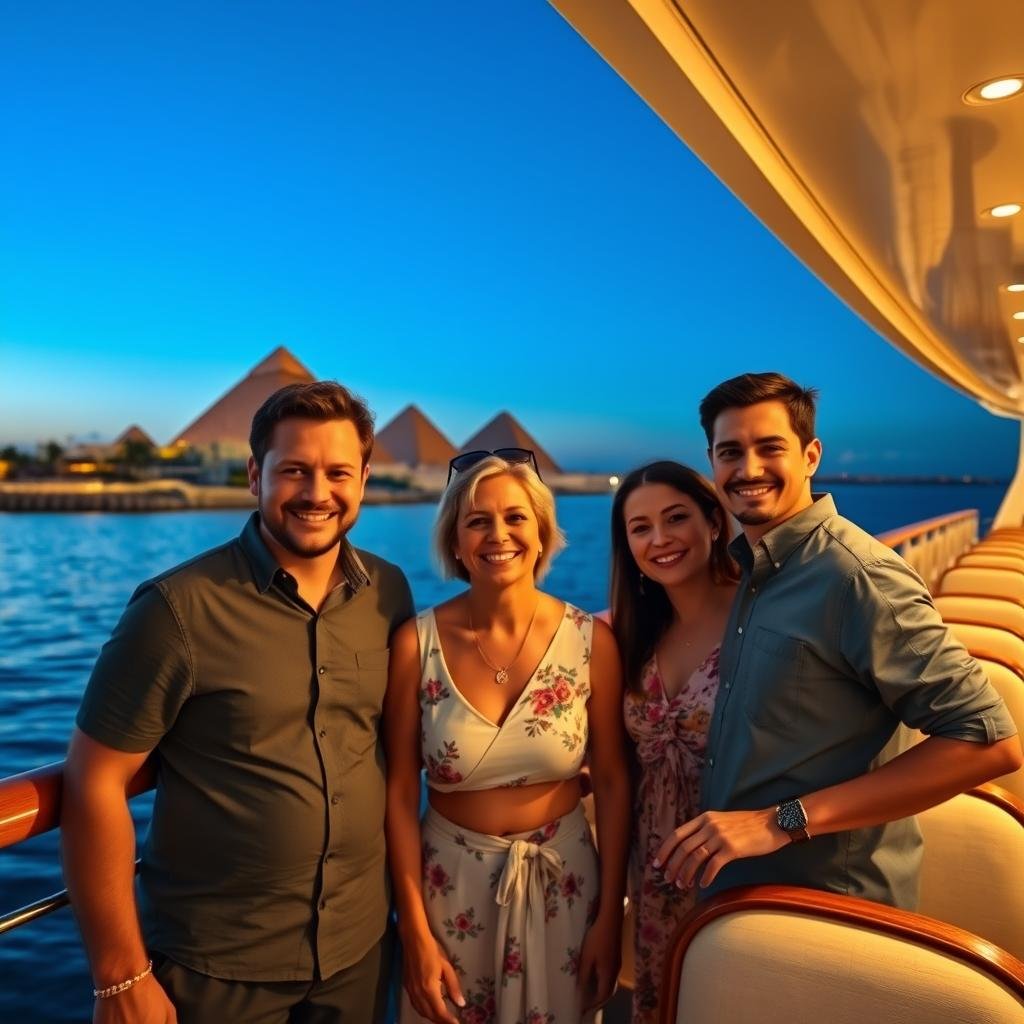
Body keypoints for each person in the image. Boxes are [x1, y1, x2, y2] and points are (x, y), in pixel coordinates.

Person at [61, 381, 414, 1024]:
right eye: (295, 471)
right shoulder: (176, 609)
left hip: (358, 951)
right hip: (218, 970)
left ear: (364, 478)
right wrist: (119, 975)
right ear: (256, 474)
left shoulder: (388, 594)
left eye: (338, 472)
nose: (317, 493)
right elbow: (93, 781)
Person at [655, 371, 1023, 907]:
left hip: (829, 904)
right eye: (730, 451)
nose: (748, 468)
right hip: (743, 892)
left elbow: (988, 741)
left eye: (770, 447)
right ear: (711, 461)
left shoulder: (856, 576)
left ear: (810, 456)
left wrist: (781, 822)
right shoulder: (755, 575)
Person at [385, 451, 630, 1024]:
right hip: (451, 891)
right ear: (456, 541)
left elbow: (616, 783)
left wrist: (609, 919)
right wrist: (413, 930)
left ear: (542, 532)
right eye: (477, 521)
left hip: (565, 885)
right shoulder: (414, 647)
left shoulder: (591, 642)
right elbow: (398, 792)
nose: (499, 535)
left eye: (516, 518)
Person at [609, 461, 738, 1024]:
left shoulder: (758, 619)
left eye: (676, 518)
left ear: (714, 521)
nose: (659, 539)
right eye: (640, 528)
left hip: (737, 865)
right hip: (657, 872)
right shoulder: (633, 632)